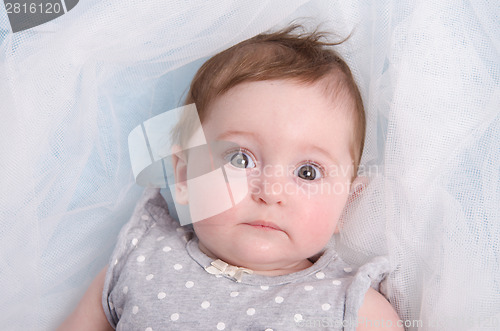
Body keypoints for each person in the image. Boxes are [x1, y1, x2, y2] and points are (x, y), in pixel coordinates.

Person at [58, 24, 402, 330]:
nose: (270, 192)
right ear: (184, 175)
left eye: (307, 172)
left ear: (346, 203)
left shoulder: (353, 309)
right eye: (240, 158)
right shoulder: (141, 257)